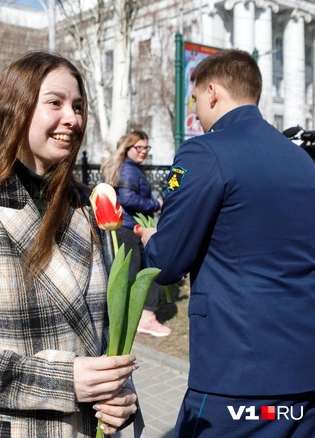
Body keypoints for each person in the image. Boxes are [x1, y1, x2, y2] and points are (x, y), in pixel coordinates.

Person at [0, 51, 142, 437]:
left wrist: (120, 396)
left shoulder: (88, 207)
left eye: (79, 106)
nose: (73, 118)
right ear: (16, 109)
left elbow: (103, 339)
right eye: (55, 103)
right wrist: (61, 381)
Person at [141, 49, 315, 436]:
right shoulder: (302, 161)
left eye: (196, 100)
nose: (197, 112)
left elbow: (167, 263)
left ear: (212, 93)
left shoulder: (203, 151)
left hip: (237, 377)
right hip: (303, 375)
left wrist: (154, 239)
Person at [101, 131, 168, 337]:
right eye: (138, 147)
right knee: (133, 274)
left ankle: (135, 318)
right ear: (127, 148)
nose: (143, 152)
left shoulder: (130, 167)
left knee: (131, 273)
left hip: (128, 227)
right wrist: (155, 204)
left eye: (146, 148)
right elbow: (127, 199)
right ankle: (139, 319)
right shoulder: (129, 170)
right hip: (128, 227)